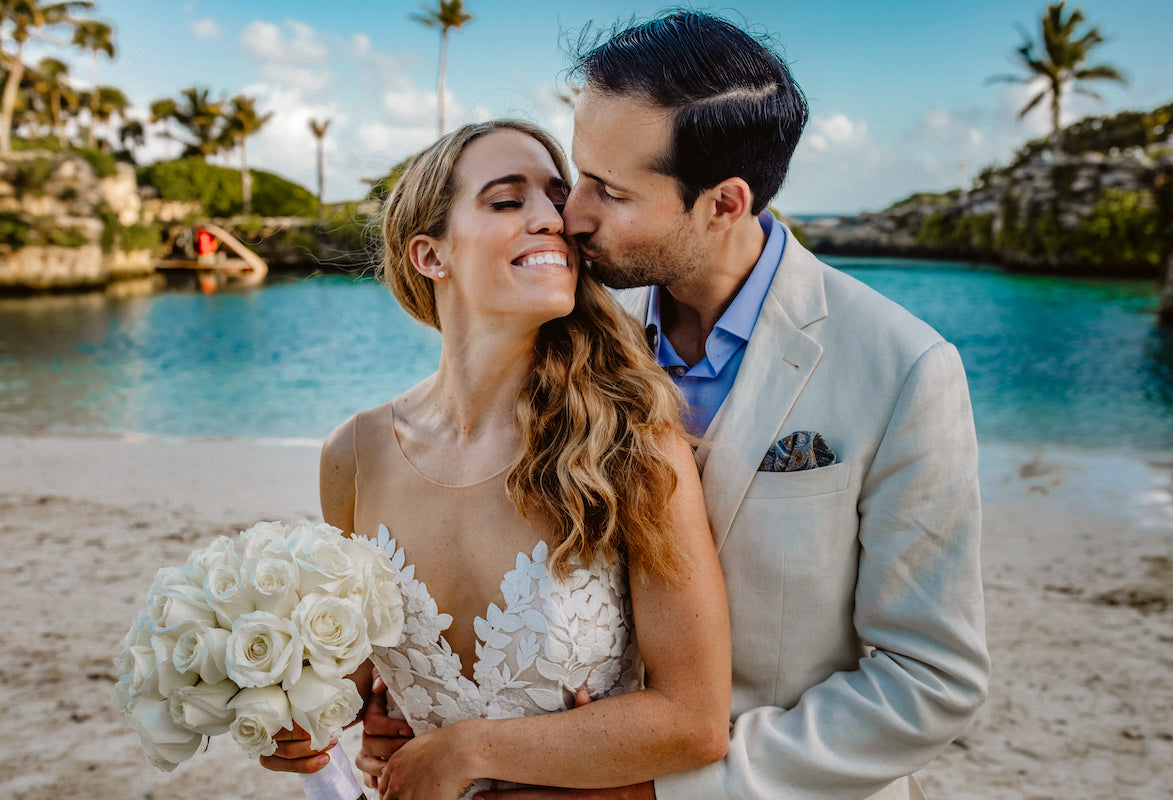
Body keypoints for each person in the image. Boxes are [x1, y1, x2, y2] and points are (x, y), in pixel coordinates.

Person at [359, 11, 990, 800]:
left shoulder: (903, 369)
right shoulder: (565, 341)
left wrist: (656, 789)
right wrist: (411, 706)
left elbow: (931, 680)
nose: (572, 215)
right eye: (578, 174)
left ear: (725, 204)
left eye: (609, 191)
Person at [261, 119, 731, 800]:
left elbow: (693, 723)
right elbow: (358, 680)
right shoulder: (354, 455)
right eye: (509, 201)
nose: (553, 220)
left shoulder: (631, 443)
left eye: (557, 197)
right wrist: (294, 720)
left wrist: (465, 751)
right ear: (430, 255)